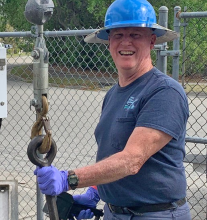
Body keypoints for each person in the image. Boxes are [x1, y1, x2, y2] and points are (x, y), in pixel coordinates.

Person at [34, 0, 192, 219]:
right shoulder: (112, 94)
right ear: (109, 42)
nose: (125, 42)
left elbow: (131, 160)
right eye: (118, 35)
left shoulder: (165, 92)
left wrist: (69, 179)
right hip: (114, 212)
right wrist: (95, 191)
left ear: (152, 41)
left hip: (157, 213)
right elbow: (113, 154)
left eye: (135, 35)